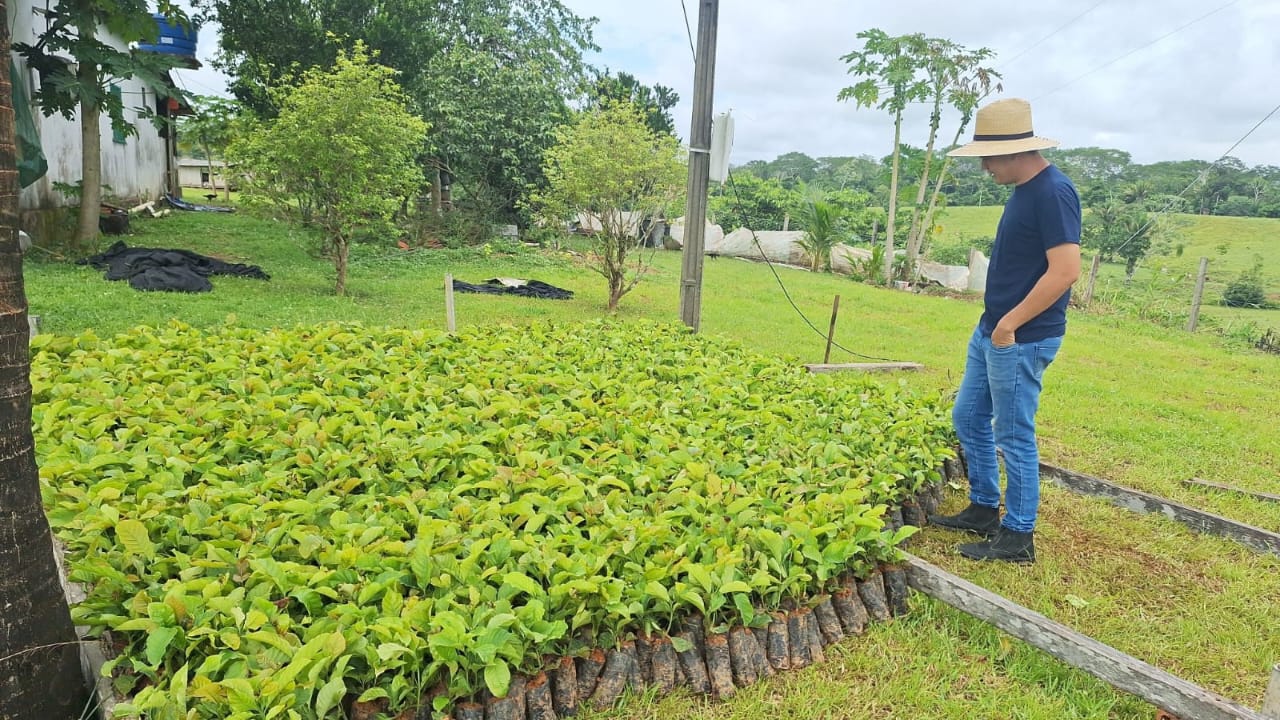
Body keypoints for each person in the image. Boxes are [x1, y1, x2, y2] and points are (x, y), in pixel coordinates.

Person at [930, 98, 1081, 564]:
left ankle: (1017, 536)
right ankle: (982, 507)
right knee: (969, 418)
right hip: (993, 330)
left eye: (987, 159)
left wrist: (1011, 324)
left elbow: (1066, 270)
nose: (984, 169)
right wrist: (994, 323)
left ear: (1016, 152)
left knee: (1014, 434)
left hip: (1021, 336)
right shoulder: (1025, 190)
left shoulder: (1053, 192)